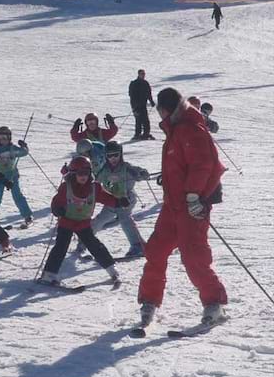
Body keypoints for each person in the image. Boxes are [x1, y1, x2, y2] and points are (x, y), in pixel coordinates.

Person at [137, 87, 227, 327]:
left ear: (166, 109)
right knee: (156, 250)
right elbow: (181, 165)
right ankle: (149, 301)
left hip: (190, 206)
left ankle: (213, 304)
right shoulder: (176, 129)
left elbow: (204, 165)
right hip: (172, 206)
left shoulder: (189, 128)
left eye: (160, 111)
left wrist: (194, 196)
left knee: (194, 255)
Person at [40, 156, 127, 285]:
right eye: (80, 174)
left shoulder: (94, 188)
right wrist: (57, 209)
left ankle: (111, 269)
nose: (83, 177)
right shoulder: (66, 187)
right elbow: (56, 202)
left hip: (83, 224)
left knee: (95, 246)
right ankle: (48, 274)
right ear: (73, 174)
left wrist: (118, 201)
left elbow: (106, 197)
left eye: (86, 173)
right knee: (60, 247)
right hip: (67, 223)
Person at [92, 141, 150, 257]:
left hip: (127, 198)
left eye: (116, 155)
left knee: (124, 218)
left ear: (121, 154)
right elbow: (96, 182)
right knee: (100, 220)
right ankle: (84, 241)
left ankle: (138, 245)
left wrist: (142, 173)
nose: (113, 158)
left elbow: (138, 173)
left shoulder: (126, 168)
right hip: (112, 200)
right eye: (109, 156)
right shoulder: (105, 170)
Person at [0, 126, 33, 228]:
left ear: (9, 138)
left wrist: (24, 146)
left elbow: (24, 153)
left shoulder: (12, 149)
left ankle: (27, 215)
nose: (2, 140)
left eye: (5, 137)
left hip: (12, 175)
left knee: (17, 195)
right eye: (0, 138)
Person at [129, 69, 156, 140]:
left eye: (144, 74)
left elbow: (148, 93)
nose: (143, 75)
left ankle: (146, 133)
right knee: (138, 120)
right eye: (142, 74)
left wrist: (151, 101)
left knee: (146, 120)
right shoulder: (134, 83)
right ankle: (137, 134)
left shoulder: (145, 83)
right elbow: (131, 95)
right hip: (136, 105)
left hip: (143, 105)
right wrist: (135, 105)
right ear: (138, 74)